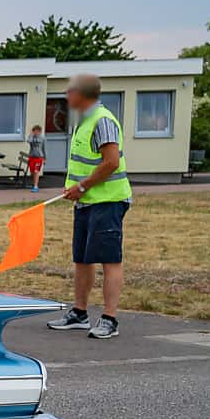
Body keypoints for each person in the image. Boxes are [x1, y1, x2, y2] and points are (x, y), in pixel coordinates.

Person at [47, 72, 130, 340]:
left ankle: (109, 318)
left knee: (109, 258)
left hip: (107, 200)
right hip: (86, 202)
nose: (66, 96)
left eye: (70, 91)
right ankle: (79, 313)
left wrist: (82, 186)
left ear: (82, 94)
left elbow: (111, 162)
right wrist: (76, 188)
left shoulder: (102, 121)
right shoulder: (83, 122)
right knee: (82, 258)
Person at [26, 124, 47, 192]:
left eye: (38, 131)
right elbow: (29, 141)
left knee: (36, 171)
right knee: (32, 172)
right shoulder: (31, 137)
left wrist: (45, 158)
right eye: (35, 131)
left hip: (39, 157)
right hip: (32, 156)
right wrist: (31, 135)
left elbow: (44, 148)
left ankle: (36, 186)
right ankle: (34, 184)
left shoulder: (42, 138)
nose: (36, 133)